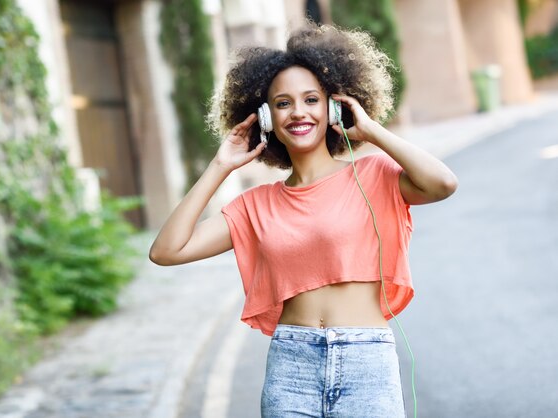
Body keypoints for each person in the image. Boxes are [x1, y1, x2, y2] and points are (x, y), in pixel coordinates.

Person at [150, 23, 458, 417]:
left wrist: (373, 131)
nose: (298, 112)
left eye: (312, 99)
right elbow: (166, 251)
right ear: (264, 117)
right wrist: (220, 165)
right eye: (282, 103)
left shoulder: (374, 175)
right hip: (291, 367)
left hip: (366, 360)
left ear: (334, 107)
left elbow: (443, 184)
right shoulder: (254, 206)